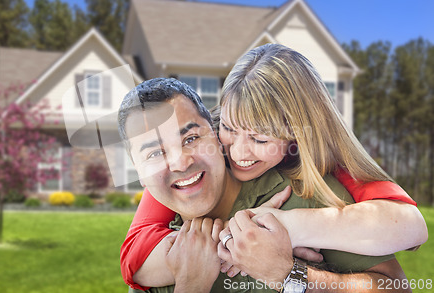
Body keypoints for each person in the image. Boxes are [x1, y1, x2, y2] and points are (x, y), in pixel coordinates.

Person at [117, 77, 411, 293]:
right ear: (139, 173)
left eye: (191, 138)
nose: (180, 163)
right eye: (155, 153)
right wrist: (191, 285)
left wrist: (291, 274)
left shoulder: (303, 194)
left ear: (216, 134)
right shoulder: (157, 258)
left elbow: (398, 287)